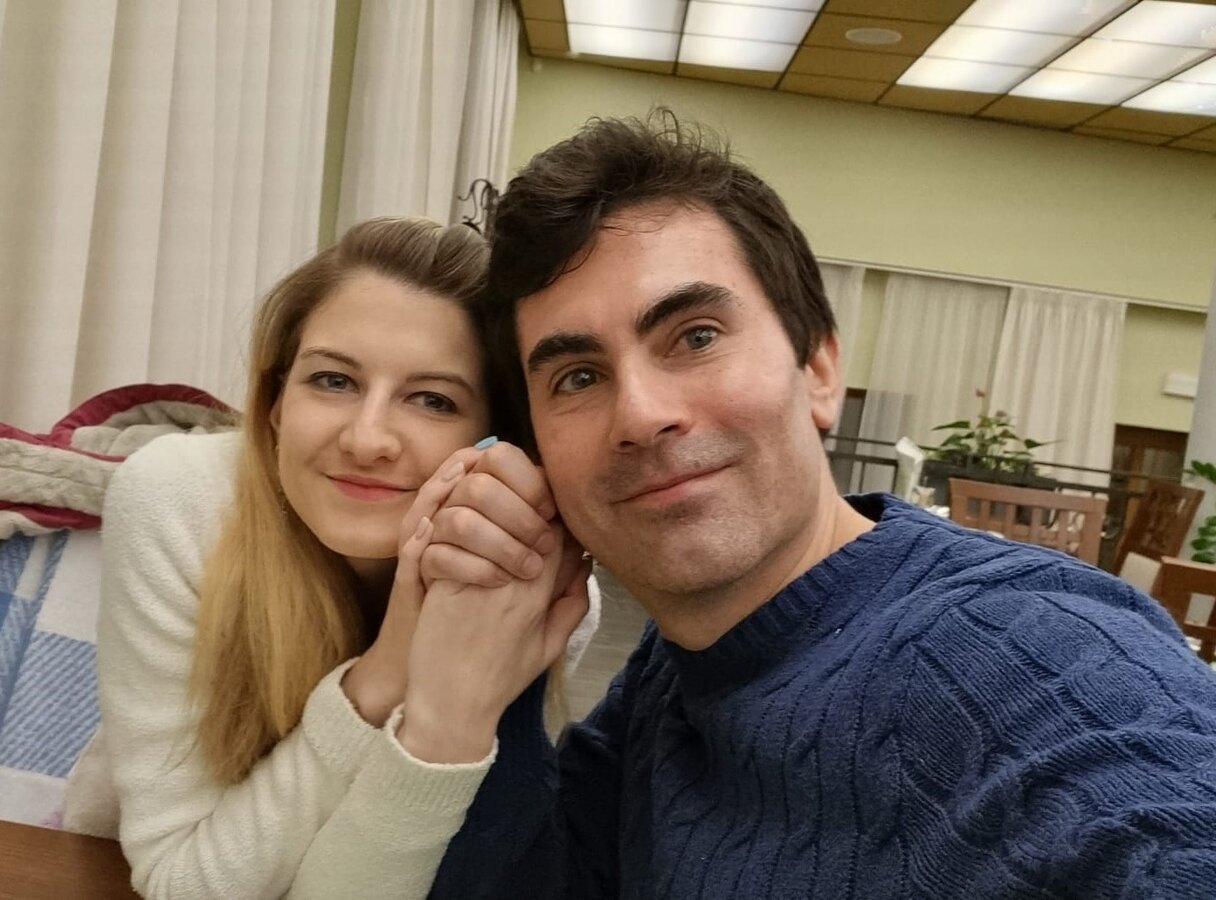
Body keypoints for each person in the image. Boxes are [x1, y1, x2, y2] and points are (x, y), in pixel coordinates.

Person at [403, 113, 1216, 898]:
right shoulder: (674, 671)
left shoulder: (1024, 654)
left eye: (695, 336)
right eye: (578, 377)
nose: (642, 415)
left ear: (819, 370)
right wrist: (476, 686)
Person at [62, 216, 599, 899]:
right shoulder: (178, 500)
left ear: (498, 440)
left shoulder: (527, 590)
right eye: (333, 381)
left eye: (432, 400)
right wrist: (388, 668)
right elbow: (182, 882)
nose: (367, 439)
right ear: (276, 403)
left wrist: (437, 705)